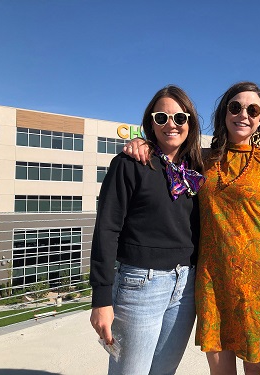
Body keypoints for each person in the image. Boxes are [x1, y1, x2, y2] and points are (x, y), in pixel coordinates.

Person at [124, 82, 260, 375]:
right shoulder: (201, 159)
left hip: (258, 284)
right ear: (224, 113)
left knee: (259, 372)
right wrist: (143, 143)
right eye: (235, 107)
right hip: (212, 282)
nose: (243, 114)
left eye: (252, 109)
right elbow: (168, 150)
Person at [89, 85, 205, 375]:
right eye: (161, 117)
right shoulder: (129, 164)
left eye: (180, 118)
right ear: (150, 122)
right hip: (140, 285)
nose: (171, 125)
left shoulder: (196, 169)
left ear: (190, 123)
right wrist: (101, 300)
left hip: (185, 287)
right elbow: (106, 229)